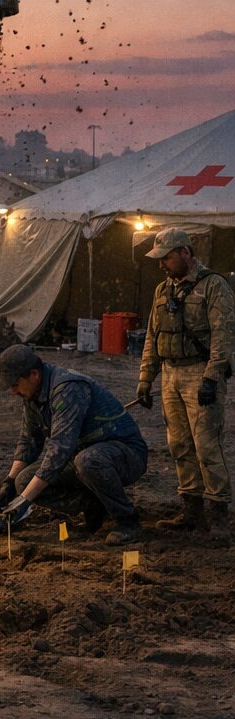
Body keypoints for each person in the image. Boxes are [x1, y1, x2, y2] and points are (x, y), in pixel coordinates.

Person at [0, 345, 148, 545]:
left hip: (125, 454)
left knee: (88, 461)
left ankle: (127, 521)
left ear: (34, 374)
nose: (13, 391)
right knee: (23, 481)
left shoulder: (67, 389)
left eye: (15, 384)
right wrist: (9, 483)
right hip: (82, 456)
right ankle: (95, 505)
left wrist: (24, 501)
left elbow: (59, 451)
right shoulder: (32, 395)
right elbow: (29, 442)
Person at [136, 228, 235, 540]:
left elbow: (223, 336)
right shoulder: (162, 291)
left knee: (207, 444)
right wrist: (145, 379)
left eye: (166, 257)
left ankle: (218, 514)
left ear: (185, 253)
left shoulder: (213, 286)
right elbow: (153, 338)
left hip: (199, 373)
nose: (162, 264)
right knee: (179, 444)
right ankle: (191, 508)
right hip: (171, 374)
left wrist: (211, 376)